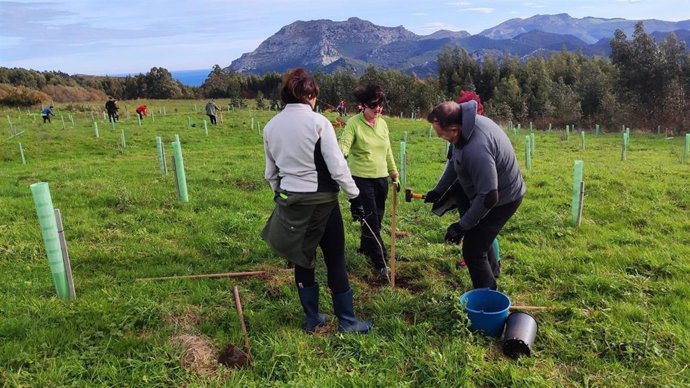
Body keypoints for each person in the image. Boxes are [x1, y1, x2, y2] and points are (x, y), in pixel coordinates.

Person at [260, 68, 372, 334]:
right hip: (322, 201)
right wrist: (355, 196)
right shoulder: (318, 123)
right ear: (309, 94)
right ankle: (347, 321)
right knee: (335, 259)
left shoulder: (271, 126)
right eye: (314, 96)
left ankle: (312, 319)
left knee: (302, 258)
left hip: (290, 201)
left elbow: (270, 172)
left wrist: (281, 193)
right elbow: (337, 167)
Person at [425, 100, 525, 290]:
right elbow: (454, 162)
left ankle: (487, 298)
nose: (439, 137)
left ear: (453, 128)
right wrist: (439, 190)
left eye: (441, 134)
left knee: (473, 249)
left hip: (504, 198)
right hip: (489, 190)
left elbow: (489, 197)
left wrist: (462, 226)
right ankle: (492, 272)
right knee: (481, 237)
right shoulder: (465, 127)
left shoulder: (477, 148)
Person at [339, 85, 399, 278]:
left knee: (375, 220)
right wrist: (338, 159)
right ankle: (380, 262)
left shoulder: (383, 124)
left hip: (381, 179)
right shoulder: (353, 124)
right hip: (361, 180)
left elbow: (388, 150)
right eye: (374, 105)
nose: (378, 109)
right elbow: (344, 146)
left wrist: (394, 174)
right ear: (362, 106)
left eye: (380, 105)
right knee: (371, 221)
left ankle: (365, 247)